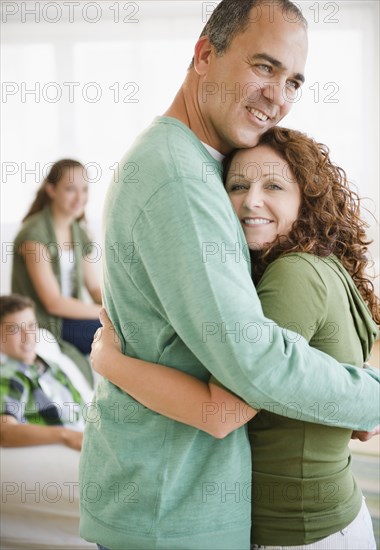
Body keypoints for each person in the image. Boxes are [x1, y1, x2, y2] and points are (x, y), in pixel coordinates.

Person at [79, 1, 379, 549]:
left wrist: (110, 364)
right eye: (264, 67)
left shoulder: (204, 160)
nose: (277, 96)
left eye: (293, 82)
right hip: (169, 508)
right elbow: (252, 367)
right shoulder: (178, 177)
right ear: (204, 55)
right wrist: (371, 398)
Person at [12, 159, 102, 387]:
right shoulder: (34, 234)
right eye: (71, 189)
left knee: (128, 328)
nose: (79, 197)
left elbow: (93, 287)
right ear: (51, 190)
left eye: (84, 189)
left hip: (72, 317)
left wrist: (123, 308)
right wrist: (104, 312)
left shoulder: (78, 232)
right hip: (49, 322)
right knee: (115, 336)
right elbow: (52, 303)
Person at [0, 294, 85, 451]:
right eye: (15, 330)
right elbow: (4, 432)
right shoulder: (9, 375)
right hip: (65, 453)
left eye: (31, 326)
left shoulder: (50, 365)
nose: (28, 337)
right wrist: (65, 435)